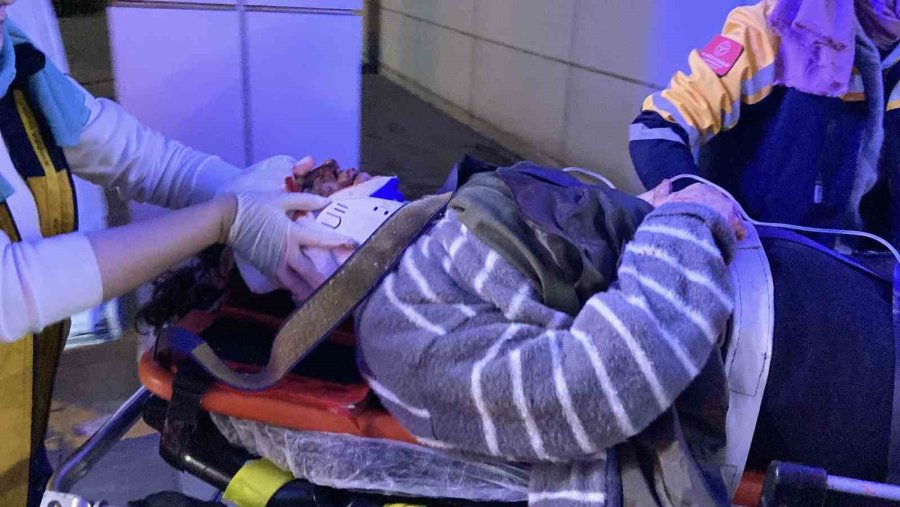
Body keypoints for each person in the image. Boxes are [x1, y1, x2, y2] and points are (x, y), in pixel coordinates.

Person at [145, 159, 895, 505]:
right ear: (283, 262)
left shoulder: (431, 235)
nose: (323, 164)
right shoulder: (401, 335)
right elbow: (602, 384)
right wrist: (686, 217)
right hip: (835, 386)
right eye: (302, 185)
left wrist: (653, 211)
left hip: (844, 324)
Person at [0, 2, 354, 505]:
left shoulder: (17, 69)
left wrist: (259, 194)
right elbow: (11, 291)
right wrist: (224, 217)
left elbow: (142, 159)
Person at [628, 0, 900, 246]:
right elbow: (656, 126)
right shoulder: (768, 29)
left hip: (851, 269)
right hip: (745, 260)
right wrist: (696, 197)